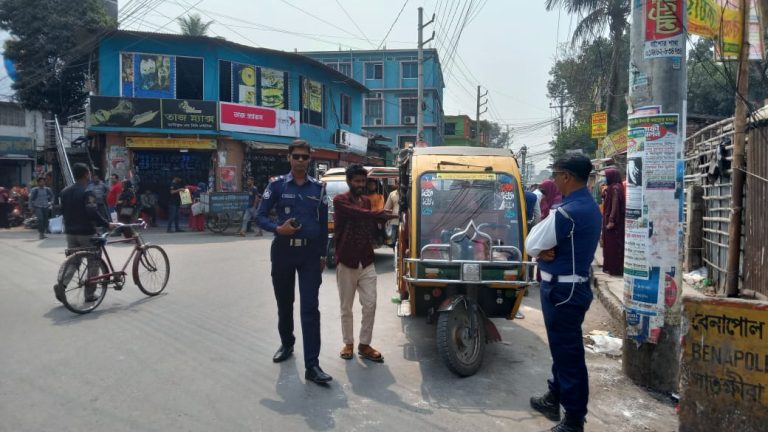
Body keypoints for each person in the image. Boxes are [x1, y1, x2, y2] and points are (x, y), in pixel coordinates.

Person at [525, 154, 602, 432]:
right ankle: (554, 396)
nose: (554, 179)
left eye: (556, 174)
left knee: (568, 355)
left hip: (562, 290)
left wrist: (539, 251)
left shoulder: (569, 211)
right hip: (570, 286)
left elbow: (531, 241)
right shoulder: (584, 205)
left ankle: (573, 420)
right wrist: (541, 251)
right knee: (561, 349)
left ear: (567, 176)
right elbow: (537, 243)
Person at [256, 139, 331, 385]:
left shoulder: (319, 188)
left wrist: (322, 254)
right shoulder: (276, 185)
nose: (300, 160)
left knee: (310, 307)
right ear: (289, 158)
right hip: (283, 253)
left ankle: (312, 365)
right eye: (296, 156)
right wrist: (278, 229)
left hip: (309, 255)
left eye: (304, 157)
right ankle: (287, 344)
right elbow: (260, 216)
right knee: (284, 303)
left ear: (310, 159)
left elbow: (322, 225)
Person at [333, 165, 397, 363]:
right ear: (349, 182)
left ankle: (364, 344)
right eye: (357, 181)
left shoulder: (368, 201)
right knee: (346, 307)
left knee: (370, 304)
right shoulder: (340, 200)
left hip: (367, 260)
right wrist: (379, 214)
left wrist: (381, 226)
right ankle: (348, 343)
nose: (361, 185)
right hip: (347, 260)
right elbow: (356, 214)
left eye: (363, 181)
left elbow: (368, 223)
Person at [59, 163, 115, 302]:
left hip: (70, 232)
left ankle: (62, 284)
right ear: (85, 174)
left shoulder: (64, 191)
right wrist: (106, 223)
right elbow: (92, 212)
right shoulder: (87, 191)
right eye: (89, 172)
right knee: (93, 262)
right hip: (86, 233)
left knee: (74, 261)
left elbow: (63, 211)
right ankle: (89, 294)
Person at [601, 168, 625, 276]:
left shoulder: (615, 188)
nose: (605, 179)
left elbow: (615, 205)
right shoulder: (615, 187)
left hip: (613, 224)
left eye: (606, 176)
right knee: (611, 246)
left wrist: (611, 220)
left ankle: (614, 268)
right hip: (614, 222)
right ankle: (613, 267)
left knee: (613, 246)